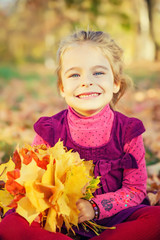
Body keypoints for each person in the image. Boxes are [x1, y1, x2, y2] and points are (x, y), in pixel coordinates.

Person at [0, 30, 160, 240]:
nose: (86, 81)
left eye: (98, 73)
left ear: (115, 83)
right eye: (75, 74)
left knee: (156, 218)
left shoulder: (128, 130)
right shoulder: (50, 130)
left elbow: (135, 189)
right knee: (11, 224)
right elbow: (35, 184)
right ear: (62, 87)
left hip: (116, 218)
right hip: (62, 221)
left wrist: (95, 207)